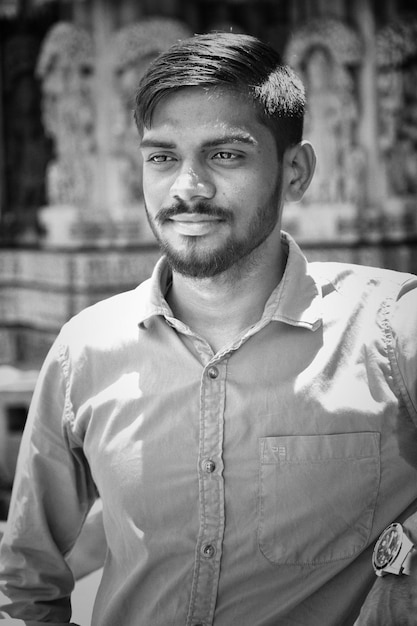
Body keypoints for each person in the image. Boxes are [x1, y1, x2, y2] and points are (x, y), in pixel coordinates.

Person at [0, 32, 417, 626]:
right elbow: (27, 576)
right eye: (162, 157)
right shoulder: (85, 349)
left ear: (294, 172)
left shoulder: (391, 329)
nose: (186, 188)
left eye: (226, 155)